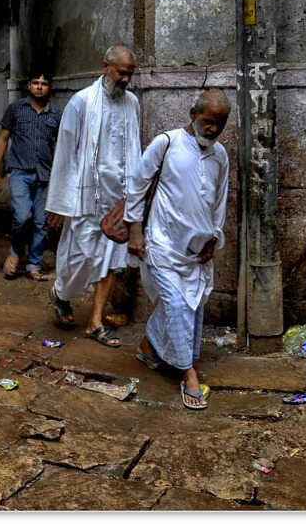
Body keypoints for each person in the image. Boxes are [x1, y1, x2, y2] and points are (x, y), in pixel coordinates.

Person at [126, 89, 231, 410]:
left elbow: (219, 201)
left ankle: (148, 346)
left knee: (192, 303)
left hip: (195, 251)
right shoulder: (167, 142)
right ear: (192, 114)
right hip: (162, 244)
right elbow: (137, 185)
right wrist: (135, 232)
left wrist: (214, 238)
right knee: (175, 305)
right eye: (208, 121)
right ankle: (188, 374)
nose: (212, 129)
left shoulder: (219, 155)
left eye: (220, 124)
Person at [44, 45, 140, 347]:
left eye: (129, 74)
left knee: (110, 261)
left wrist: (134, 200)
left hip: (117, 201)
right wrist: (59, 203)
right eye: (121, 72)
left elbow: (135, 149)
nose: (125, 79)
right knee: (79, 258)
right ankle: (60, 292)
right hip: (85, 198)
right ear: (105, 66)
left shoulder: (132, 103)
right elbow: (65, 154)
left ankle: (95, 322)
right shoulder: (81, 102)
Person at [0, 69, 61, 281]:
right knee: (22, 216)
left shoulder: (56, 114)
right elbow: (3, 138)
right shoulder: (16, 110)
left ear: (49, 88)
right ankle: (15, 252)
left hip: (45, 176)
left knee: (41, 222)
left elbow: (62, 146)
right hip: (20, 173)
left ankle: (33, 264)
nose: (39, 86)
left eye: (44, 83)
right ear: (29, 86)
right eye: (35, 82)